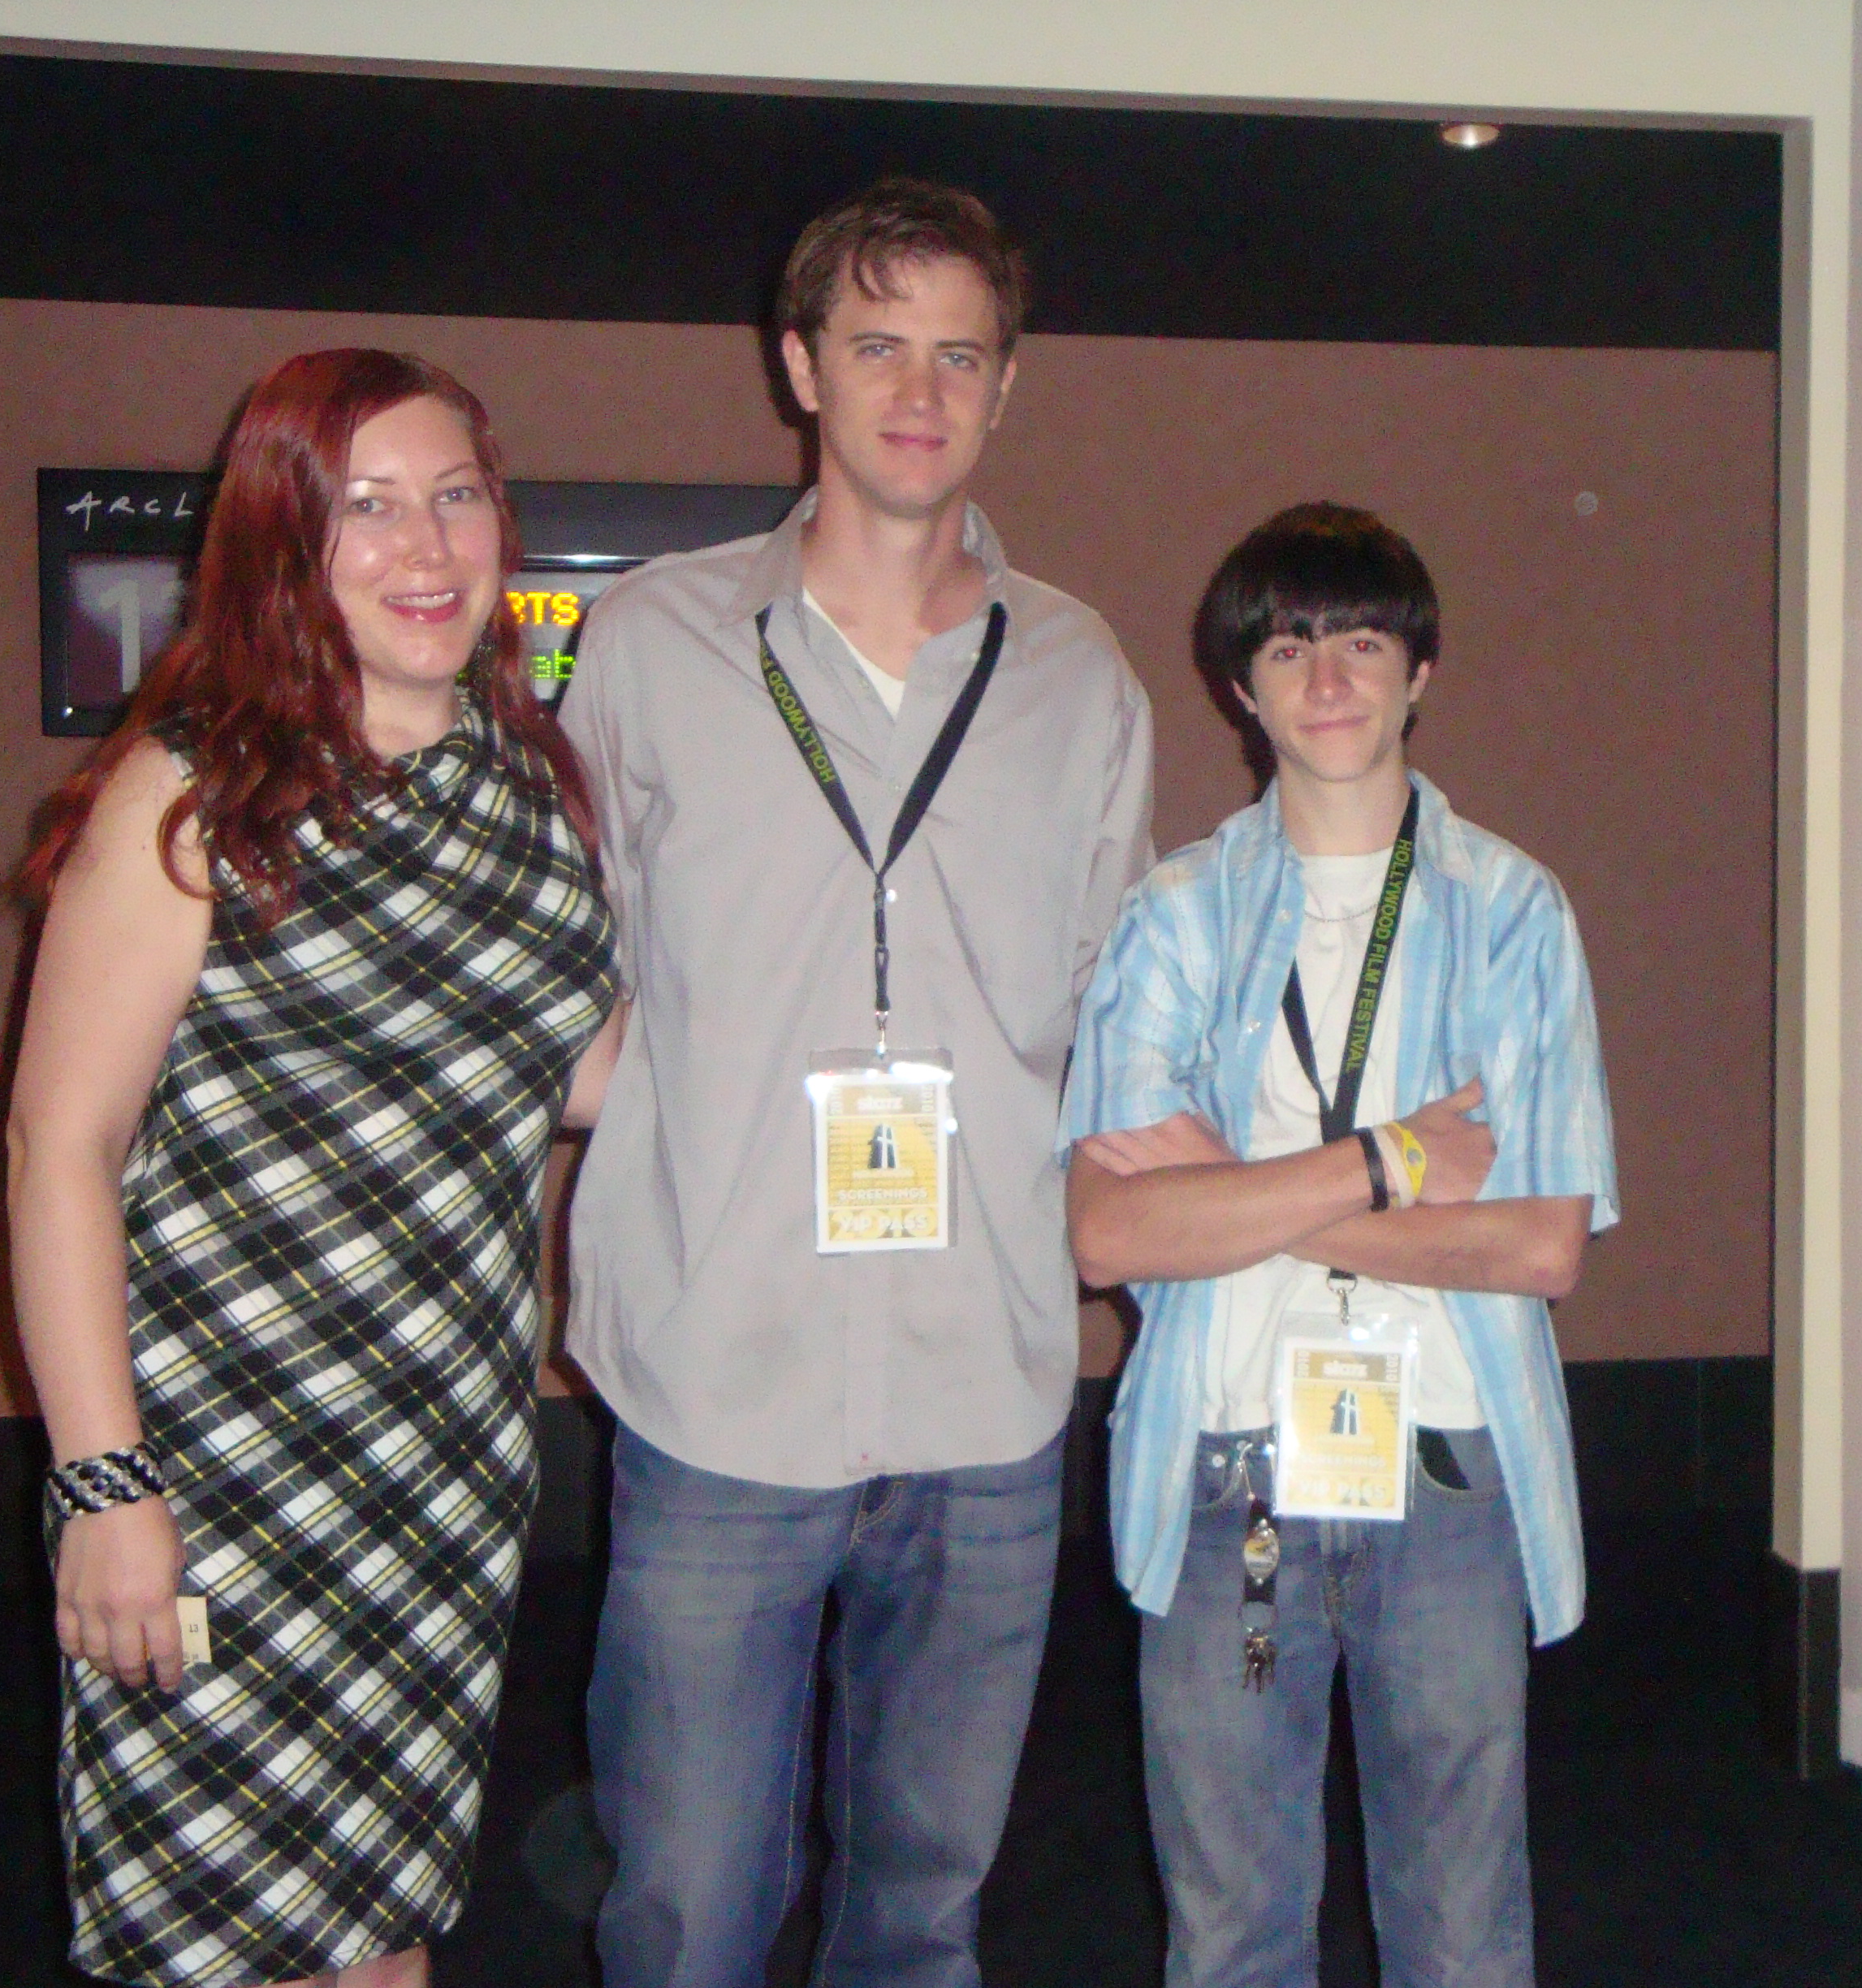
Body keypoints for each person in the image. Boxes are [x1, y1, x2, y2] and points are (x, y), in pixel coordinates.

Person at [558, 178, 1152, 1987]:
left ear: (1006, 387)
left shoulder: (1078, 674)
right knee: (686, 1914)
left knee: (924, 1913)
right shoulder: (652, 643)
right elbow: (567, 970)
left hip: (986, 1394)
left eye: (959, 354)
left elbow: (1110, 1016)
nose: (919, 388)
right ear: (798, 364)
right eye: (877, 344)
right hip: (716, 1388)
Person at [6, 349, 622, 1988]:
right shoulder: (197, 794)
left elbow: (570, 1070)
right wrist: (102, 1481)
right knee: (219, 1942)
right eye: (363, 509)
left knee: (381, 1934)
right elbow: (58, 1148)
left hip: (434, 1484)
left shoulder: (525, 794)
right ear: (284, 541)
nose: (424, 549)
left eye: (455, 497)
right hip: (223, 1477)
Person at [1061, 503, 1618, 1987]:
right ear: (1238, 685)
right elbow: (1110, 1232)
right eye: (1288, 643)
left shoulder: (1508, 912)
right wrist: (1388, 1159)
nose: (1325, 676)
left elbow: (1542, 1244)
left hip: (1444, 1472)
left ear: (1418, 670)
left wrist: (1249, 1192)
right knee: (1231, 1916)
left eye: (1361, 640)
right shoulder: (1173, 916)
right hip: (1230, 1481)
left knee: (1457, 1919)